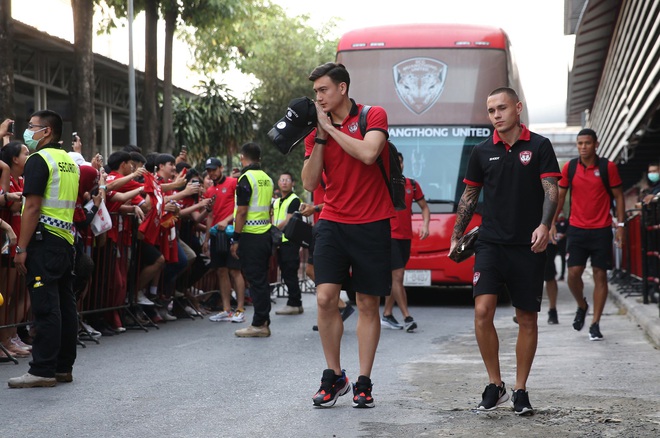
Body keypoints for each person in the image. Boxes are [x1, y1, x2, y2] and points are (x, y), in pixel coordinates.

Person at [450, 88, 560, 415]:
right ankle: (494, 384)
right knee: (482, 311)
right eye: (491, 110)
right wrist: (457, 236)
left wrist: (544, 225)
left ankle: (520, 389)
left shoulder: (539, 146)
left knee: (527, 317)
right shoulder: (482, 152)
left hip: (528, 245)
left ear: (517, 108)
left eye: (502, 108)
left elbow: (551, 190)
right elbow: (469, 197)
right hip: (491, 243)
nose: (496, 115)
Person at [302, 62, 394, 409]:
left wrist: (332, 129)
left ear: (342, 88)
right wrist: (322, 134)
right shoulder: (317, 132)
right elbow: (310, 183)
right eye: (315, 93)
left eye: (323, 90)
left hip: (372, 223)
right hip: (333, 221)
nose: (318, 97)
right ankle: (334, 375)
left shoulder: (373, 116)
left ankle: (364, 381)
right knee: (325, 298)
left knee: (368, 303)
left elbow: (369, 154)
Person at [9, 109, 80, 388]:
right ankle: (62, 367)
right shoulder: (68, 161)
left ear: (46, 131)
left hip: (43, 240)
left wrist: (21, 247)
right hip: (64, 240)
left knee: (46, 307)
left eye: (32, 127)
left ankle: (42, 370)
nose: (28, 131)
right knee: (64, 304)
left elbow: (33, 207)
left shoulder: (39, 159)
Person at [550, 128, 625, 341]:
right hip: (577, 229)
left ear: (596, 144)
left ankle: (595, 324)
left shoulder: (607, 167)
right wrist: (552, 223)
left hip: (601, 229)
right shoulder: (570, 168)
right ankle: (582, 305)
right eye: (580, 143)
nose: (583, 147)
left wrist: (620, 226)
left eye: (587, 143)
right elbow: (560, 194)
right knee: (573, 273)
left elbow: (619, 196)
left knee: (601, 274)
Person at [381, 153, 430, 332]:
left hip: (405, 237)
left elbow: (425, 207)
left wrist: (425, 225)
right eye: (394, 162)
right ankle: (407, 317)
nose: (398, 165)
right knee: (398, 277)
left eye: (399, 162)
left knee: (396, 280)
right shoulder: (381, 183)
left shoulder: (412, 184)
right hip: (389, 236)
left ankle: (387, 314)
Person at [232, 143, 274, 337]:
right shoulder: (266, 178)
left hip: (251, 235)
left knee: (256, 281)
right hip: (265, 235)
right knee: (261, 280)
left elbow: (241, 212)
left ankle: (259, 324)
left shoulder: (245, 178)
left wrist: (236, 238)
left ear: (242, 157)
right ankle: (263, 321)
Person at [202, 157, 246, 324]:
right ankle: (226, 309)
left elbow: (240, 207)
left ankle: (240, 309)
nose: (211, 173)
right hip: (216, 235)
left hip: (232, 233)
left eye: (214, 169)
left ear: (221, 168)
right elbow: (210, 216)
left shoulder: (233, 183)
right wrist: (206, 239)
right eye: (208, 171)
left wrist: (227, 220)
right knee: (221, 271)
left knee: (235, 271)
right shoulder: (209, 191)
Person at [273, 172, 304, 315]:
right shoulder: (278, 201)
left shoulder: (294, 199)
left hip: (290, 241)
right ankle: (294, 302)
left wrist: (271, 230)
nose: (284, 182)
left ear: (293, 183)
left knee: (290, 272)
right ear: (278, 183)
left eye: (287, 180)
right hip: (280, 241)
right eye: (282, 180)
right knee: (286, 272)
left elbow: (288, 220)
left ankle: (295, 302)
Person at [555, 213, 568, 280]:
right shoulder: (555, 221)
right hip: (554, 242)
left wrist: (564, 235)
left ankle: (562, 275)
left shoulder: (565, 221)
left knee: (563, 258)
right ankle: (554, 272)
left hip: (562, 243)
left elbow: (568, 230)